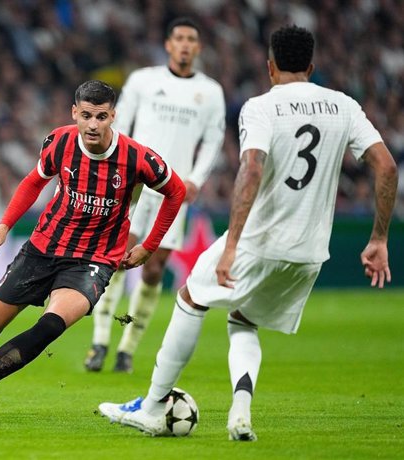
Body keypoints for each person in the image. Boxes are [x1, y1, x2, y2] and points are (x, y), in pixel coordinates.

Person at [98, 25, 397, 440]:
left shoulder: (261, 106)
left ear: (270, 66)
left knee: (189, 298)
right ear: (311, 66)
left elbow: (251, 168)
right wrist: (379, 238)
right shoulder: (344, 106)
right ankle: (240, 412)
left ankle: (151, 407)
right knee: (242, 320)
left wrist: (232, 245)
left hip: (259, 240)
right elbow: (386, 166)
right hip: (310, 253)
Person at [0, 80, 187, 419]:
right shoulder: (60, 141)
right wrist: (4, 225)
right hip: (43, 248)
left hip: (93, 260)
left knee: (50, 325)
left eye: (101, 116)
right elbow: (35, 181)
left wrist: (149, 246)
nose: (93, 125)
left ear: (113, 116)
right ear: (74, 113)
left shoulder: (137, 157)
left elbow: (176, 191)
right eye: (86, 116)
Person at [84, 17, 225, 374]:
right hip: (133, 183)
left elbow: (213, 140)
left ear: (198, 48)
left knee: (153, 269)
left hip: (171, 189)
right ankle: (100, 341)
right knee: (116, 258)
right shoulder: (144, 81)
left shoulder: (209, 92)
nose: (184, 44)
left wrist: (195, 178)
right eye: (178, 38)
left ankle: (126, 349)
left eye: (191, 39)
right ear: (168, 44)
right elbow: (120, 124)